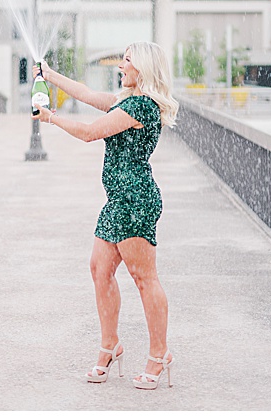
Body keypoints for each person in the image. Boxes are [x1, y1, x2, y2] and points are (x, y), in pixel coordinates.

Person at [33, 42, 179, 390]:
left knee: (144, 278)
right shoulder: (124, 101)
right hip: (116, 200)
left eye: (127, 62)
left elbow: (89, 132)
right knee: (100, 270)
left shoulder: (141, 107)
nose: (120, 67)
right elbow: (85, 93)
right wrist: (49, 75)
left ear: (141, 68)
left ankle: (159, 356)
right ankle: (110, 346)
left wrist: (50, 118)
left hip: (135, 200)